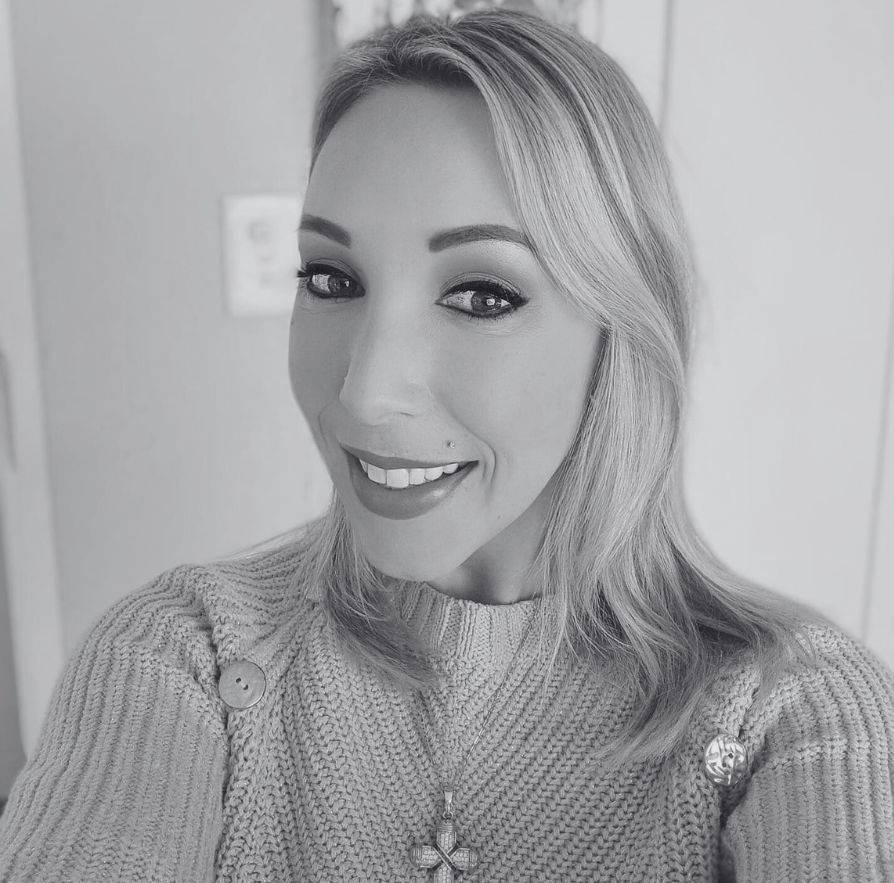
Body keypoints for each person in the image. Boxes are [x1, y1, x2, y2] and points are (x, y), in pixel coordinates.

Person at [1, 8, 892, 882]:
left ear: (620, 331)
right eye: (331, 279)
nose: (364, 392)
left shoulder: (791, 713)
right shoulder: (181, 656)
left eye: (482, 295)